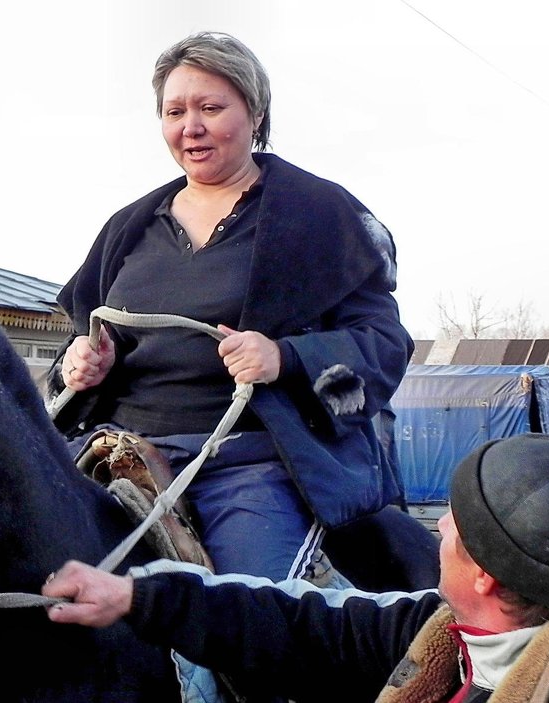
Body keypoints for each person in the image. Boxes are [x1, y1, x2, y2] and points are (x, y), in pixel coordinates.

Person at [47, 31, 413, 582]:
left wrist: (284, 358)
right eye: (174, 111)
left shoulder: (321, 216)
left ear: (256, 112)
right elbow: (80, 344)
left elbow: (385, 348)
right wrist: (82, 366)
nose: (189, 127)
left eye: (211, 108)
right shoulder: (128, 228)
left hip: (250, 464)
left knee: (242, 621)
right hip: (119, 455)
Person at [41, 433, 549, 703]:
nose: (437, 526)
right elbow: (302, 622)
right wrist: (137, 598)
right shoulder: (440, 632)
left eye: (455, 522)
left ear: (485, 574)